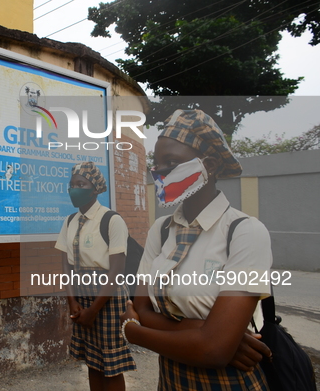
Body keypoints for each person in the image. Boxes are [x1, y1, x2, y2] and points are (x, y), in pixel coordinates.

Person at [120, 109, 273, 390]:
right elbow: (141, 307)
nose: (160, 171)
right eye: (157, 163)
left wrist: (133, 332)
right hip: (170, 376)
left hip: (230, 381)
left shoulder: (244, 232)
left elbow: (213, 351)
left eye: (172, 161)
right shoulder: (161, 230)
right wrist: (211, 334)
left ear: (210, 165)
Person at [55, 161, 135, 391]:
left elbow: (117, 270)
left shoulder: (111, 220)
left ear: (95, 188)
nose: (74, 189)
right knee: (92, 361)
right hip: (81, 298)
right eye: (72, 185)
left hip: (107, 299)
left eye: (81, 184)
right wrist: (72, 302)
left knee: (110, 365)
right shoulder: (69, 221)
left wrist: (93, 310)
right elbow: (66, 266)